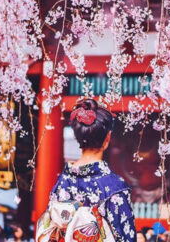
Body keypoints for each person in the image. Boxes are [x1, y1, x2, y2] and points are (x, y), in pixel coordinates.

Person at [48, 98, 136, 242]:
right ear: (107, 138)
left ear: (78, 138)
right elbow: (127, 238)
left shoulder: (62, 182)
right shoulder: (116, 187)